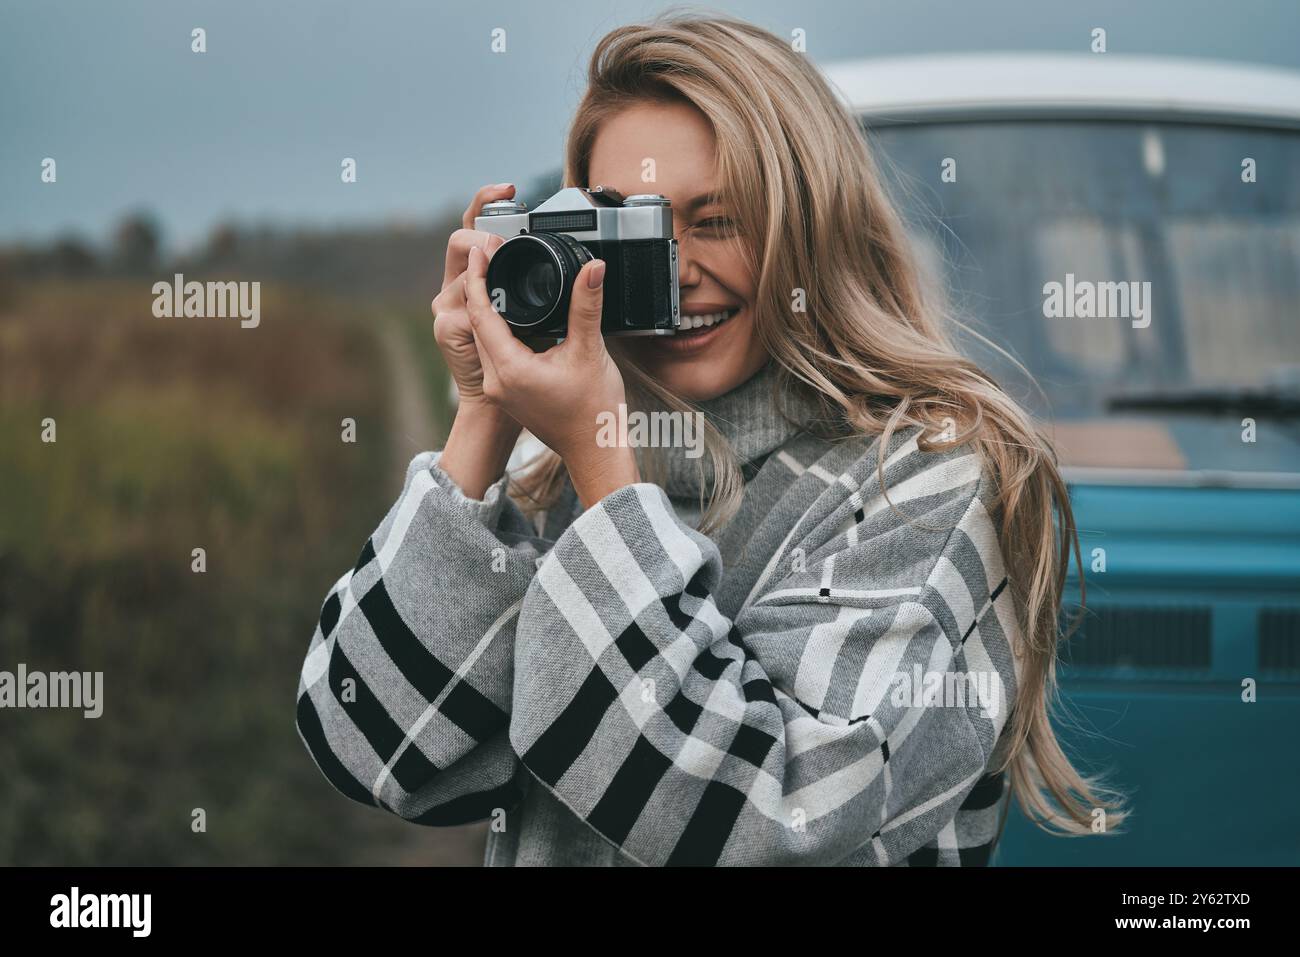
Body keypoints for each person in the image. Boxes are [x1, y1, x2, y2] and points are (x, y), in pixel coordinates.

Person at [295, 13, 1125, 866]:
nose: (677, 268)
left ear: (813, 226)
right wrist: (484, 414)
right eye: (636, 227)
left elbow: (774, 821)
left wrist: (602, 466)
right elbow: (374, 745)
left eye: (718, 220)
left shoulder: (925, 482)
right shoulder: (568, 467)